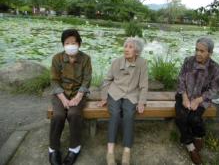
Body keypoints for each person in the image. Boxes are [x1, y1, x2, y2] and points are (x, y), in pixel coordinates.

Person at [97, 37, 148, 165]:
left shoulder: (142, 63)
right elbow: (107, 80)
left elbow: (143, 85)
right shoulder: (116, 62)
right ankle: (110, 152)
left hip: (131, 94)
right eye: (125, 46)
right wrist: (104, 97)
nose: (126, 49)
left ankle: (126, 151)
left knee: (129, 114)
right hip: (115, 93)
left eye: (130, 47)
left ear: (137, 51)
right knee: (114, 114)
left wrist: (141, 102)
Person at [49, 29, 92, 165]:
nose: (70, 45)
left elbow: (86, 80)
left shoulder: (85, 59)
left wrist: (78, 98)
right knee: (58, 116)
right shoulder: (57, 58)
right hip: (60, 93)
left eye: (73, 42)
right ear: (63, 44)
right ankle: (53, 148)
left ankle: (74, 148)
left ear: (79, 44)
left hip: (78, 93)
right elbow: (54, 81)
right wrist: (63, 99)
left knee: (74, 114)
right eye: (67, 43)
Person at [175, 37, 219, 165]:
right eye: (196, 50)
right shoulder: (188, 61)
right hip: (184, 95)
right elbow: (180, 79)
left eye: (202, 51)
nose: (198, 53)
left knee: (194, 119)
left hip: (201, 99)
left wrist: (197, 100)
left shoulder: (215, 68)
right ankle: (191, 148)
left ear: (210, 53)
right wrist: (184, 97)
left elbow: (215, 89)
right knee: (181, 118)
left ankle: (199, 135)